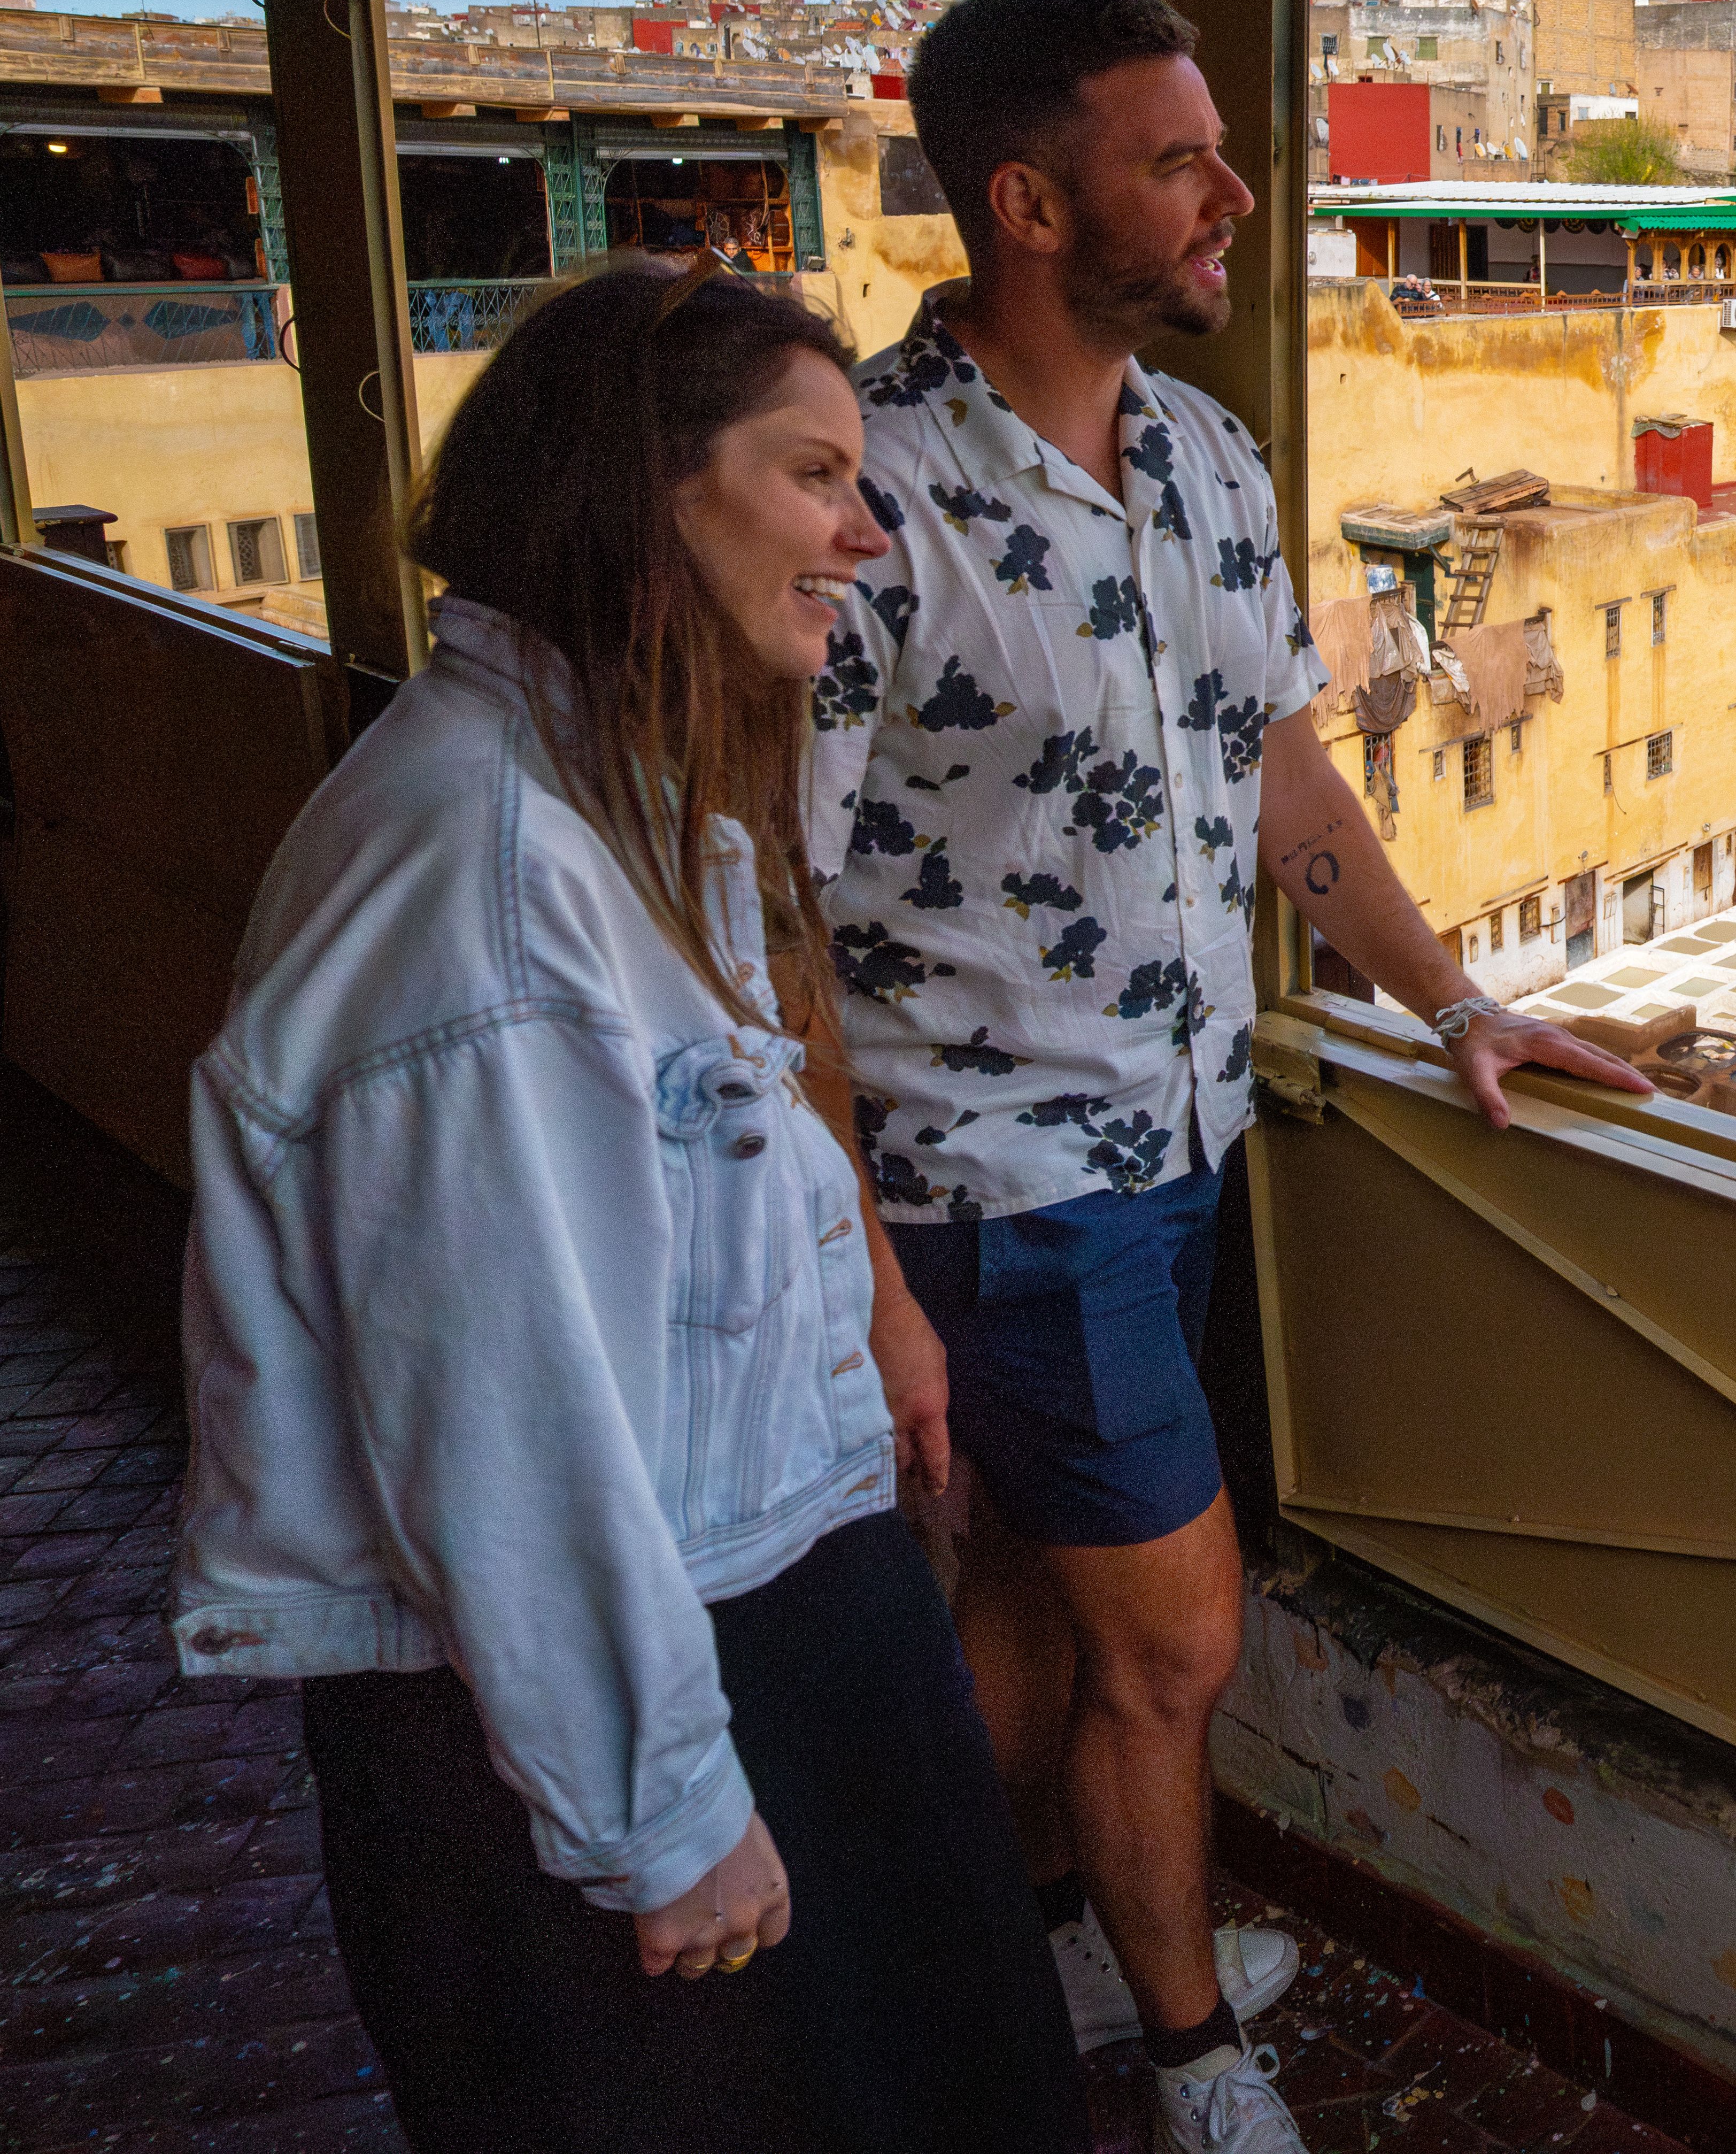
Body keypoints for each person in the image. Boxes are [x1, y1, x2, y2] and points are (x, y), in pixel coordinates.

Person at [817, 0, 1650, 2154]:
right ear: (1026, 205)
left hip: (1184, 1129)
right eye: (1178, 158)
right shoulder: (863, 497)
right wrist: (864, 1266)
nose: (1236, 196)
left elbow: (1283, 775)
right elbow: (764, 913)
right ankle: (1192, 2064)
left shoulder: (1207, 457)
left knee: (1038, 1596)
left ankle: (1014, 1952)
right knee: (1177, 1646)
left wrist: (1452, 1002)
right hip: (1000, 1178)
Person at [169, 263, 1080, 2153]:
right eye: (813, 474)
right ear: (638, 495)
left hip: (748, 1600)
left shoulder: (600, 797)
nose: (865, 529)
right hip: (607, 1695)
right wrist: (661, 1817)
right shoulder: (488, 887)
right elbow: (505, 1423)